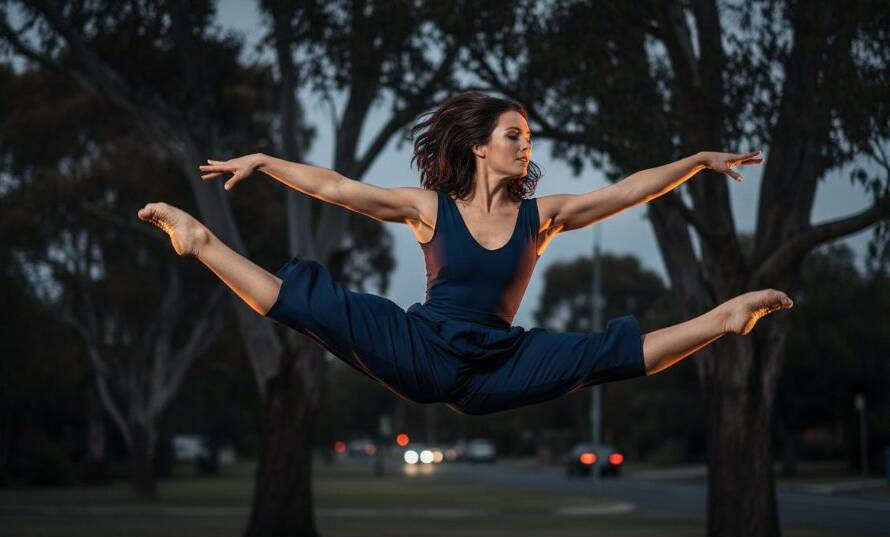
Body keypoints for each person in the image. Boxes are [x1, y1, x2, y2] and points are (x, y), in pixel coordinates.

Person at [137, 91, 793, 416]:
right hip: (421, 349)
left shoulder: (544, 218)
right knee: (311, 301)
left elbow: (626, 192)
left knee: (601, 355)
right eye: (515, 134)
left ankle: (726, 318)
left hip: (496, 366)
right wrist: (265, 161)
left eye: (529, 137)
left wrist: (698, 161)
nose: (525, 146)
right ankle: (200, 242)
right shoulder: (430, 211)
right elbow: (337, 188)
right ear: (480, 145)